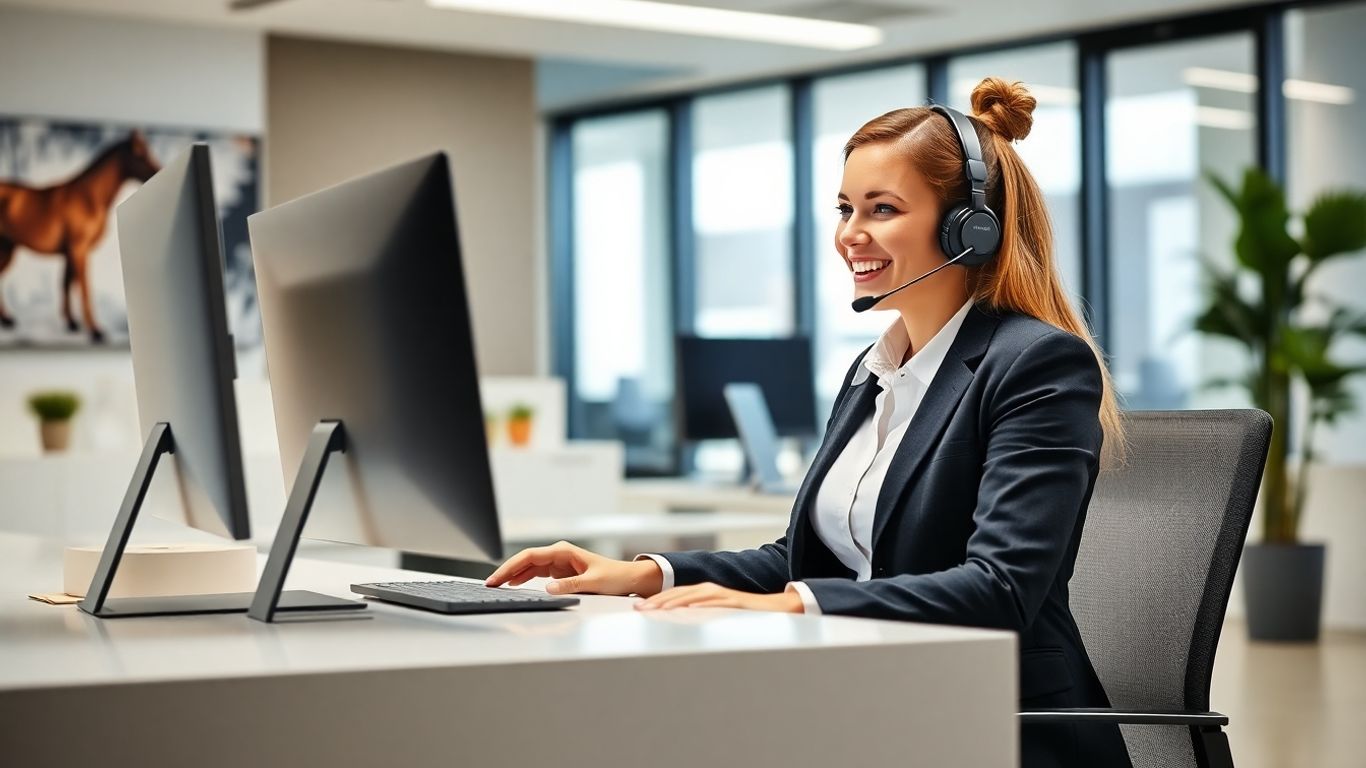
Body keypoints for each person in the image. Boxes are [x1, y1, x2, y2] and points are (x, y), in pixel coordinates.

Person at [486, 77, 1132, 768]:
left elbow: (1000, 589)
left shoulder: (1036, 363)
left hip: (1001, 722)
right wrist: (645, 573)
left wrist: (792, 606)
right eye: (845, 208)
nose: (850, 234)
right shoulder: (873, 371)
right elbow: (804, 558)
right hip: (873, 699)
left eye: (882, 209)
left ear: (969, 229)